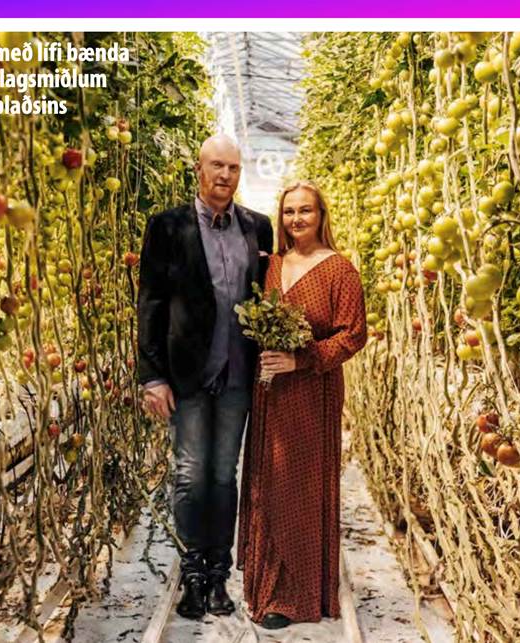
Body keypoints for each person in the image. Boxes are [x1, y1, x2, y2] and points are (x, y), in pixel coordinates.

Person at [137, 134, 273, 620]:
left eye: (233, 168)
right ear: (199, 169)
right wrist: (152, 377)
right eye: (217, 165)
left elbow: (267, 298)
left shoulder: (258, 227)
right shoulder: (168, 226)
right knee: (190, 473)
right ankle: (192, 572)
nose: (225, 175)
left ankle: (219, 573)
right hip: (188, 374)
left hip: (237, 372)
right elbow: (151, 303)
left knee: (222, 473)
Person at [237, 180, 367, 630]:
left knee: (301, 486)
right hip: (270, 389)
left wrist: (303, 359)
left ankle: (296, 594)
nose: (296, 219)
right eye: (289, 211)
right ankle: (266, 585)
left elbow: (353, 334)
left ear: (321, 215)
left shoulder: (340, 270)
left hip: (313, 390)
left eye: (305, 210)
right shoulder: (271, 265)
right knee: (267, 480)